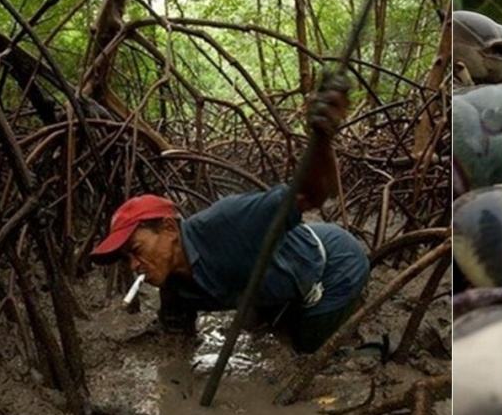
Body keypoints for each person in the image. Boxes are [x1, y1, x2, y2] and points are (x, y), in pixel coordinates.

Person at [90, 81, 370, 353]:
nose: (134, 266)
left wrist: (321, 137)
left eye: (136, 251)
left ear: (168, 228)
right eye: (128, 258)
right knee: (259, 328)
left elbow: (312, 195)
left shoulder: (228, 221)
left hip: (332, 265)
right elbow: (176, 349)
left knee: (304, 351)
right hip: (279, 283)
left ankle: (356, 335)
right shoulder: (173, 289)